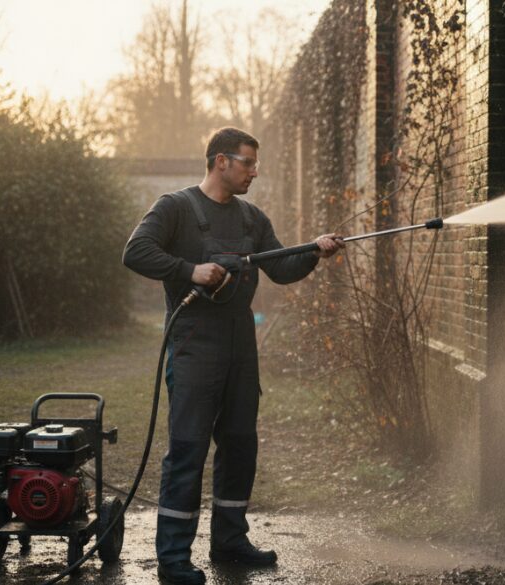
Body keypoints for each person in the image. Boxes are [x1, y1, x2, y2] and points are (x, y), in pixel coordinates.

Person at [123, 127, 343, 585]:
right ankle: (173, 558)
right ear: (220, 161)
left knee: (240, 445)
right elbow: (135, 252)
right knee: (187, 449)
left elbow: (280, 268)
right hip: (192, 346)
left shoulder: (251, 219)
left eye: (255, 163)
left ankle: (229, 541)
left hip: (241, 347)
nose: (254, 172)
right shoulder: (176, 208)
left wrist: (313, 253)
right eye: (248, 163)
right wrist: (188, 270)